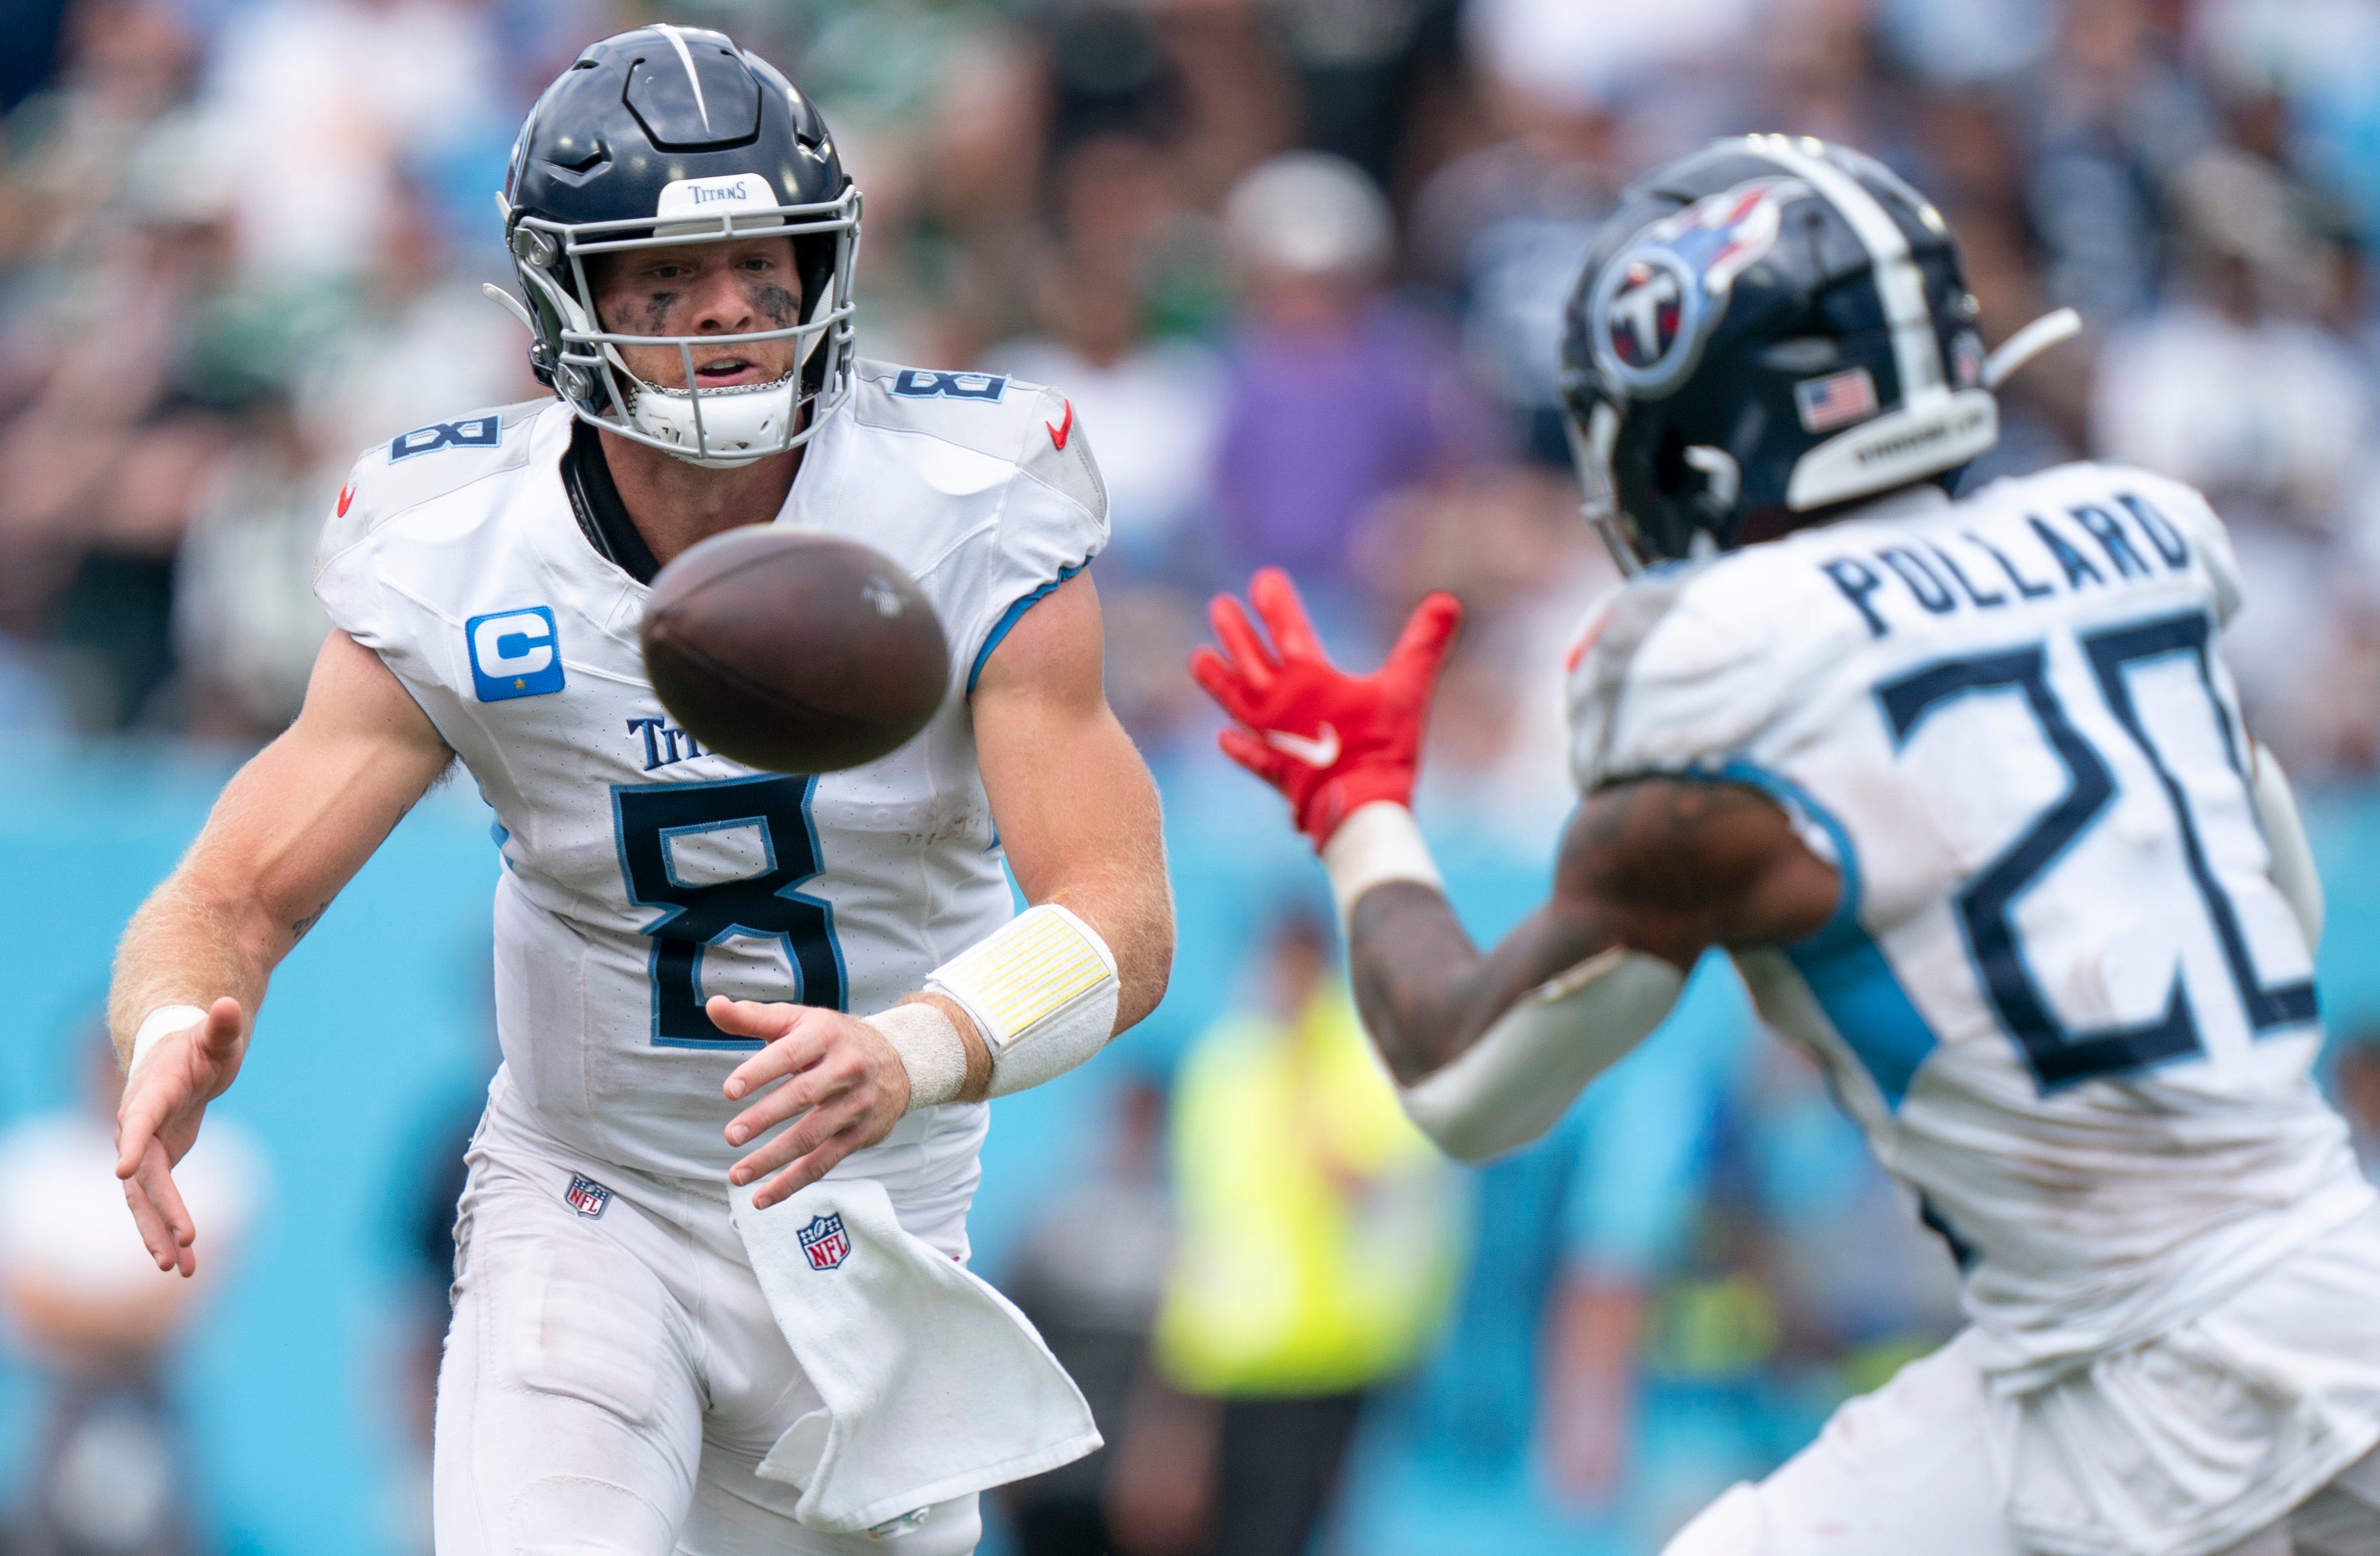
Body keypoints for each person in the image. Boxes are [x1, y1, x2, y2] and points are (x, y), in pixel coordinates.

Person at [1191, 134, 2380, 1554]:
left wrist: (1356, 806)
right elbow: (2280, 928)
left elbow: (1466, 1086)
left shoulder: (1730, 666)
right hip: (2320, 1280)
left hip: (2138, 1382)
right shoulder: (2128, 538)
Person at [106, 26, 1173, 1556]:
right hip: (590, 1207)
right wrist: (164, 1026)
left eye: (761, 262)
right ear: (564, 303)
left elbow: (1121, 916)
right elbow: (231, 894)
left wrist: (923, 1042)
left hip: (874, 1243)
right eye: (667, 280)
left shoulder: (968, 501)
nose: (731, 309)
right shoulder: (456, 543)